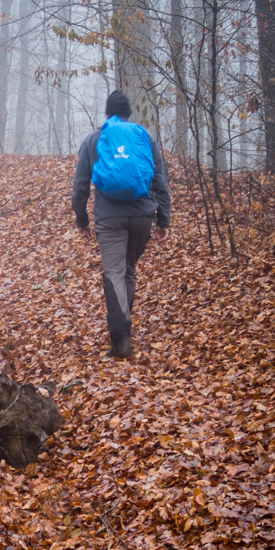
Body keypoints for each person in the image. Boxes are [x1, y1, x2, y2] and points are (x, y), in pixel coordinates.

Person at [72, 90, 171, 358]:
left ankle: (120, 339)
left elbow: (81, 185)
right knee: (127, 270)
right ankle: (124, 329)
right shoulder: (144, 137)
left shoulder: (95, 139)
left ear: (108, 113)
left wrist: (81, 219)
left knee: (114, 272)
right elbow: (159, 180)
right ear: (129, 113)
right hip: (142, 216)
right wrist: (163, 218)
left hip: (109, 218)